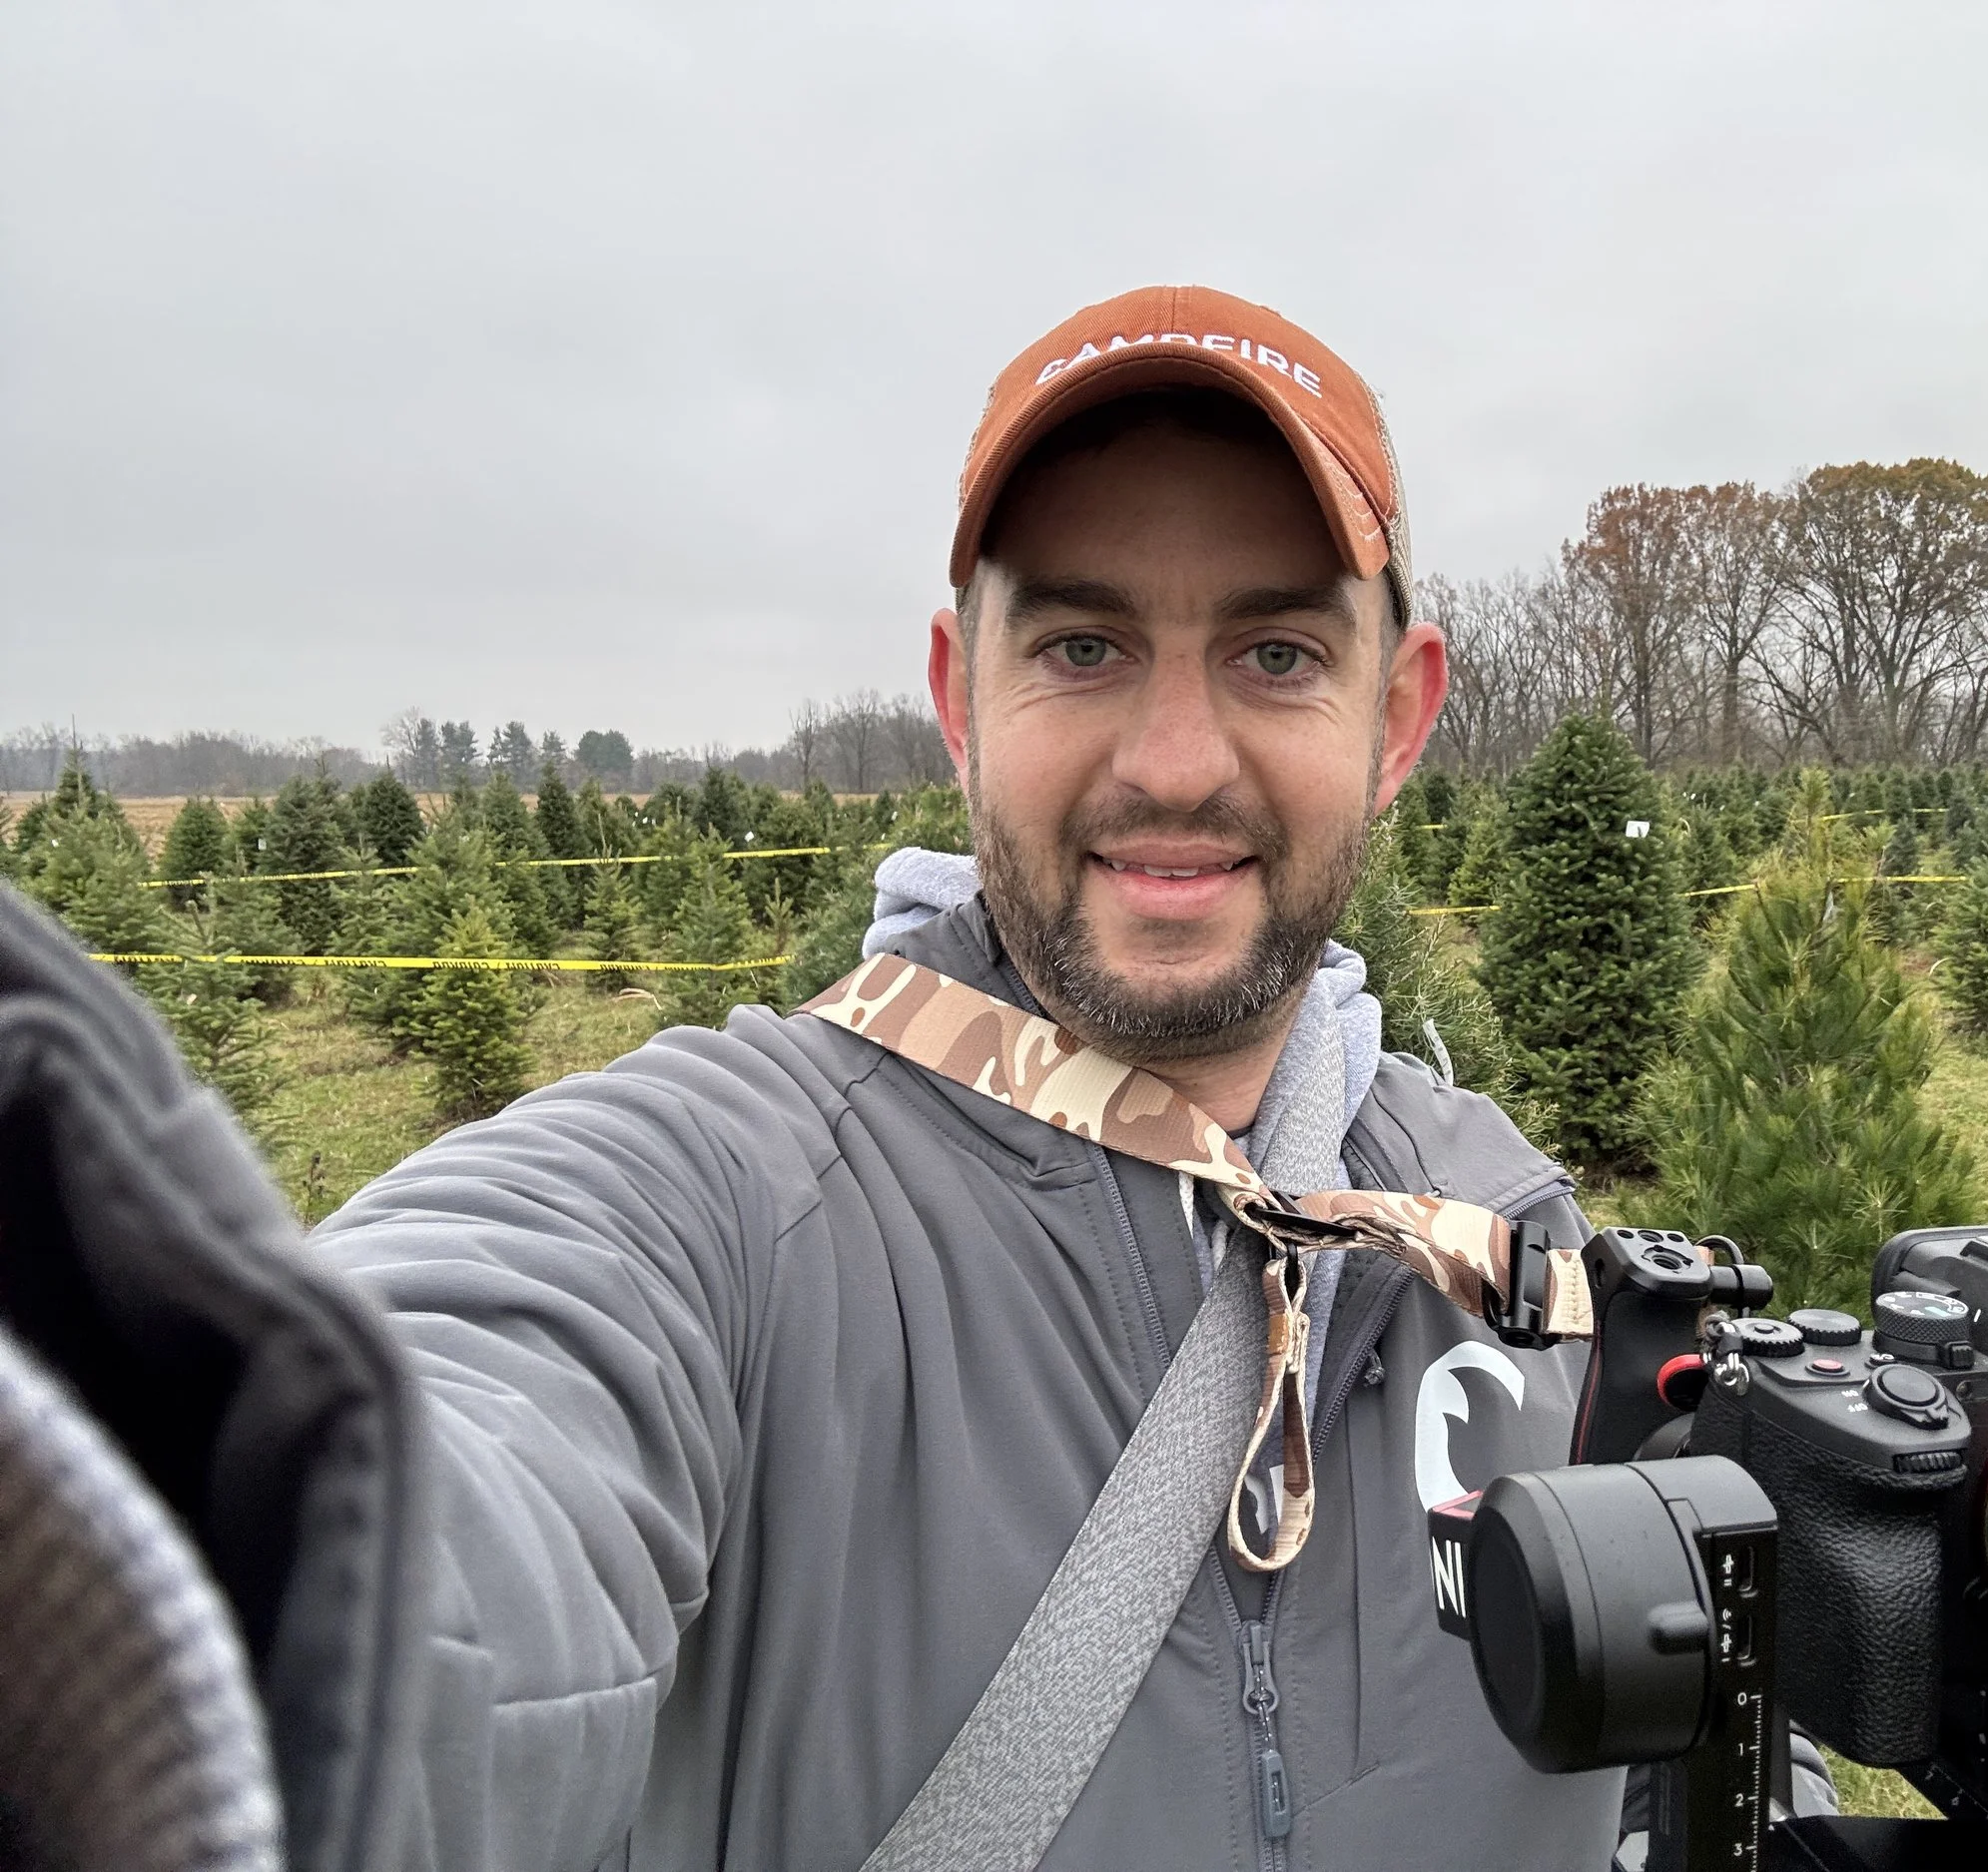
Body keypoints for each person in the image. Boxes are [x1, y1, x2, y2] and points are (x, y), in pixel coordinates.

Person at [314, 285, 1623, 1869]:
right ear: (957, 697)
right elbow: (390, 1507)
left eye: (1277, 652)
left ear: (1397, 715)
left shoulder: (1506, 1234)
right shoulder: (742, 1205)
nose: (1175, 761)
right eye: (1083, 645)